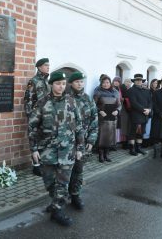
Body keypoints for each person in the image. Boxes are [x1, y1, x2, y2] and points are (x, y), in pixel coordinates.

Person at [28, 71, 84, 226]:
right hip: (47, 150)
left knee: (63, 183)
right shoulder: (42, 103)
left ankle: (58, 210)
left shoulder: (71, 102)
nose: (61, 86)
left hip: (67, 150)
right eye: (58, 83)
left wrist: (80, 148)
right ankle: (55, 202)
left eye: (64, 84)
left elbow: (79, 127)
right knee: (49, 182)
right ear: (51, 84)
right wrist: (33, 150)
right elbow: (32, 127)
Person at [68, 72, 98, 210]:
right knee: (63, 170)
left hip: (82, 141)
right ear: (71, 83)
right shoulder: (65, 98)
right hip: (66, 141)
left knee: (78, 170)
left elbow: (94, 121)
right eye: (77, 82)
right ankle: (59, 197)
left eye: (82, 81)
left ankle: (75, 195)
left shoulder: (88, 99)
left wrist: (91, 140)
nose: (80, 84)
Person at [24, 58, 51, 176]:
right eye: (46, 65)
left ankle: (43, 163)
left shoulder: (48, 81)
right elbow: (28, 100)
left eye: (48, 65)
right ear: (39, 67)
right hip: (36, 115)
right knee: (34, 139)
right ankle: (36, 165)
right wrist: (30, 115)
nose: (48, 67)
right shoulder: (33, 81)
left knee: (44, 139)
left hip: (47, 115)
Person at [94, 75, 121, 162]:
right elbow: (93, 104)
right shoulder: (97, 92)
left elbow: (119, 105)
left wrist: (117, 110)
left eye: (107, 82)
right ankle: (101, 154)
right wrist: (99, 111)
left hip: (112, 117)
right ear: (101, 83)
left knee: (110, 136)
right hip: (102, 117)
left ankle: (107, 154)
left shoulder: (115, 92)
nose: (106, 84)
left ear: (110, 83)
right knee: (102, 136)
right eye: (104, 83)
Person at [126, 74, 152, 156]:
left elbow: (150, 101)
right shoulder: (131, 90)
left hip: (145, 115)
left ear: (142, 81)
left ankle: (139, 148)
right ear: (134, 81)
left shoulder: (147, 90)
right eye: (137, 80)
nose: (139, 81)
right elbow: (133, 103)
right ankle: (132, 149)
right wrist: (144, 110)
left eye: (140, 80)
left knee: (141, 133)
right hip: (135, 114)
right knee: (133, 132)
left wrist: (149, 109)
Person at [112, 76, 124, 149]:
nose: (116, 82)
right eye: (115, 81)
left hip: (118, 109)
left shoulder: (120, 89)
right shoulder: (111, 89)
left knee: (117, 127)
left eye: (118, 81)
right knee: (112, 127)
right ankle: (112, 143)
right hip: (112, 109)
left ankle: (115, 143)